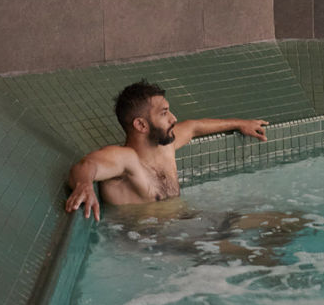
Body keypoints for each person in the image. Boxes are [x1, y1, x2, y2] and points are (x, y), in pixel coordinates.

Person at [65, 80, 269, 221]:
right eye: (164, 113)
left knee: (282, 222)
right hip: (158, 245)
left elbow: (194, 127)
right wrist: (84, 184)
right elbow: (86, 165)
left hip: (188, 224)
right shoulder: (127, 160)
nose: (173, 118)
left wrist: (241, 123)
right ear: (141, 125)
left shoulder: (165, 147)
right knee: (254, 256)